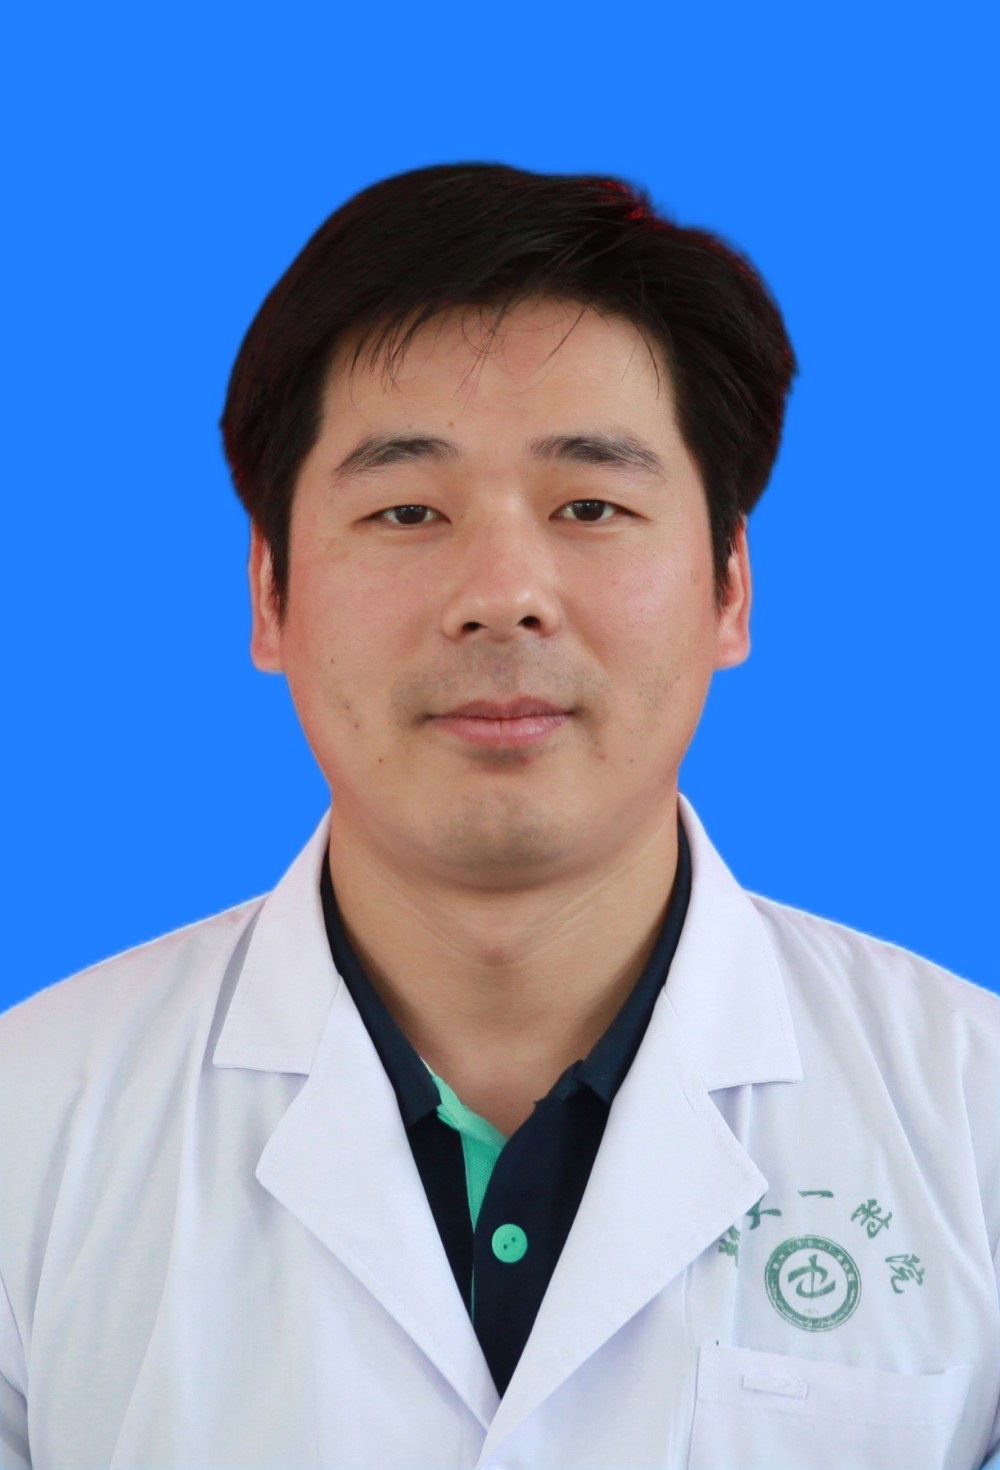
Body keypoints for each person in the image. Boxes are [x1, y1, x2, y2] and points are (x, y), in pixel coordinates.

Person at [1, 162, 997, 1470]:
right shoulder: (31, 1122)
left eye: (591, 506)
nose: (503, 593)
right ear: (269, 593)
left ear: (729, 587)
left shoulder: (971, 1114)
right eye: (407, 510)